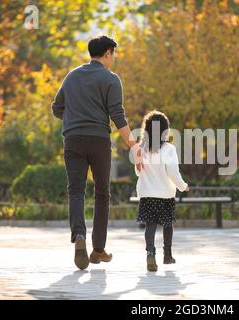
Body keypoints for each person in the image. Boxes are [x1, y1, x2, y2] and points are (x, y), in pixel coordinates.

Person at [51, 36, 143, 270]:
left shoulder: (71, 76)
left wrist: (75, 117)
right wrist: (134, 145)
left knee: (76, 190)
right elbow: (117, 115)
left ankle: (79, 236)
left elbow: (56, 108)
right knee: (102, 192)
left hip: (72, 139)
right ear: (108, 53)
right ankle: (98, 249)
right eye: (114, 54)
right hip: (99, 141)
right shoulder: (111, 79)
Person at [135, 110, 189, 272]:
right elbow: (172, 172)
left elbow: (138, 172)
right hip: (165, 194)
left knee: (150, 225)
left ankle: (150, 252)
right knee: (167, 224)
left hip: (147, 194)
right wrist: (182, 185)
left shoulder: (140, 149)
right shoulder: (169, 149)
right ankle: (167, 255)